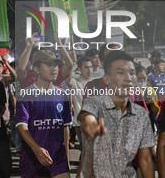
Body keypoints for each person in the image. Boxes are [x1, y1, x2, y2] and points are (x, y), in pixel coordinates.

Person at [79, 50, 155, 178]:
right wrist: (91, 124)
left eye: (132, 73)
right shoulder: (94, 101)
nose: (128, 78)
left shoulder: (141, 114)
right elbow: (87, 116)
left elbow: (146, 160)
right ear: (107, 78)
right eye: (120, 73)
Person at [16, 50, 72, 178]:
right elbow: (22, 127)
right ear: (36, 69)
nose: (54, 69)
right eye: (48, 65)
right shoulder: (25, 95)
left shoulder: (63, 95)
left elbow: (65, 128)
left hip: (58, 158)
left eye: (55, 65)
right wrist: (36, 149)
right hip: (32, 158)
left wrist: (66, 158)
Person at [62, 56, 93, 152]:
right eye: (86, 67)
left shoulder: (96, 82)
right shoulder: (75, 82)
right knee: (86, 148)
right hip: (80, 122)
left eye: (91, 67)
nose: (89, 70)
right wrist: (71, 66)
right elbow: (67, 81)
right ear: (79, 69)